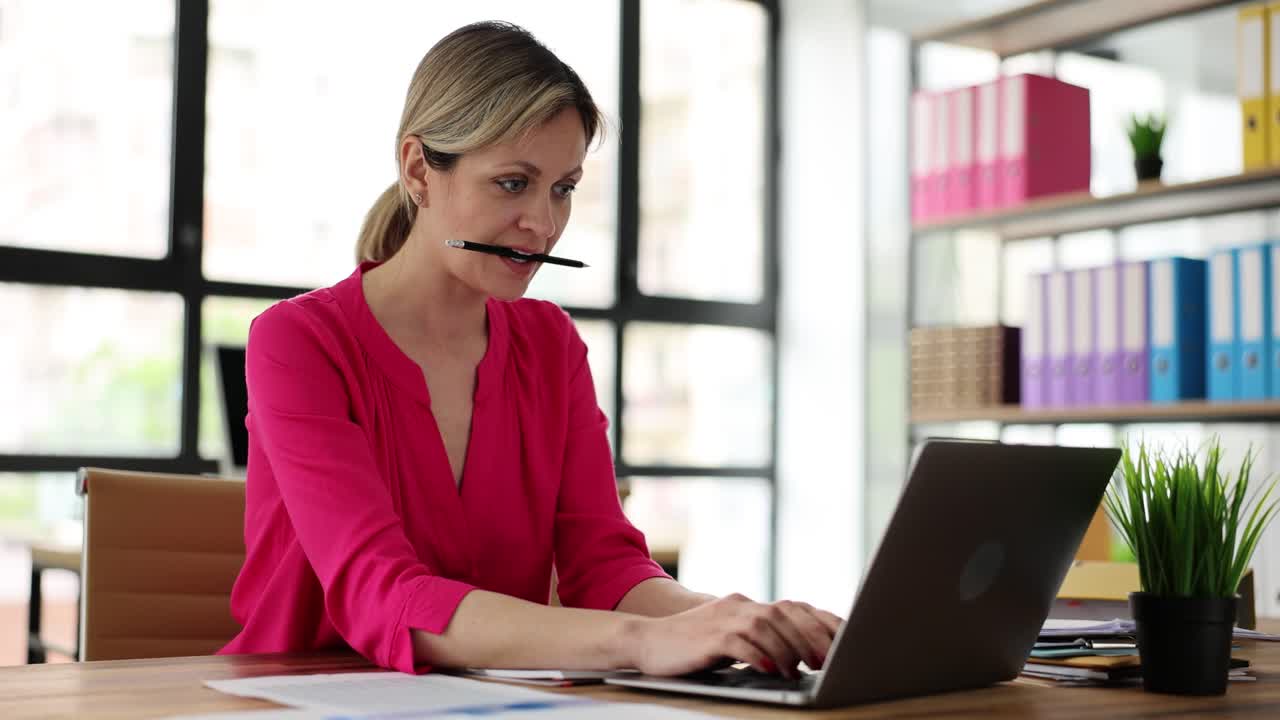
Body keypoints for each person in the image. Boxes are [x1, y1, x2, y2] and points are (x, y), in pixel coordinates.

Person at [220, 20, 841, 679]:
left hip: (489, 702)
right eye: (513, 184)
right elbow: (382, 594)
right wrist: (641, 643)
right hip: (296, 698)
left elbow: (604, 565)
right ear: (417, 169)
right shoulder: (299, 342)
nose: (543, 225)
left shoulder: (550, 346)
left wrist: (731, 624)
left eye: (563, 188)